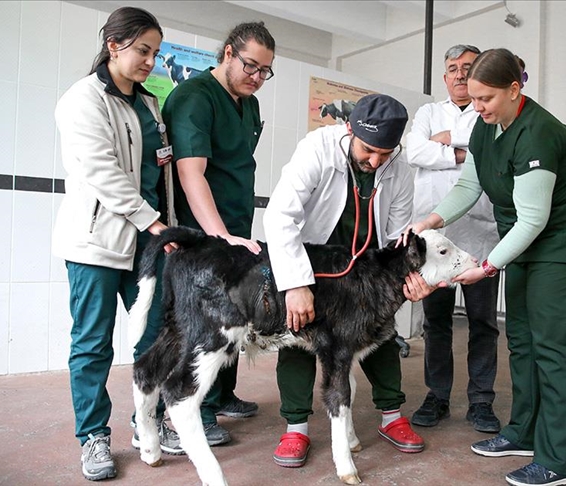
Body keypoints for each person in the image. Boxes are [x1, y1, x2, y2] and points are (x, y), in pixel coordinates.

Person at [408, 48, 566, 486]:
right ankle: (522, 431)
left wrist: (486, 266)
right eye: (472, 97)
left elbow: (536, 218)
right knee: (521, 338)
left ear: (515, 89)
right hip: (523, 240)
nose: (475, 106)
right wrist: (431, 219)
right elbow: (469, 184)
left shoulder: (540, 132)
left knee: (553, 346)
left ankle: (558, 461)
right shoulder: (486, 127)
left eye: (485, 98)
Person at [263, 94, 435, 468]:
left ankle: (392, 416)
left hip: (365, 264)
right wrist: (294, 284)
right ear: (349, 130)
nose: (375, 161)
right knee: (299, 333)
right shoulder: (317, 149)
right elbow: (279, 216)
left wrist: (409, 278)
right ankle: (296, 427)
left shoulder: (399, 170)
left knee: (382, 333)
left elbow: (395, 237)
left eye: (385, 154)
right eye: (369, 150)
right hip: (313, 260)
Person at [53, 7, 180, 481]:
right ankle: (93, 437)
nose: (150, 60)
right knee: (92, 343)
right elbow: (103, 173)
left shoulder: (149, 105)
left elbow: (159, 173)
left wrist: (166, 226)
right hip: (97, 243)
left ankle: (146, 421)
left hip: (148, 243)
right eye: (143, 50)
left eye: (156, 52)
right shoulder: (82, 100)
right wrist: (154, 224)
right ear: (114, 45)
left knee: (156, 337)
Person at [162, 21, 276, 445]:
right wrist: (218, 236)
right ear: (228, 53)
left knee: (233, 313)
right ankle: (186, 412)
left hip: (235, 224)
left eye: (265, 71)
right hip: (203, 231)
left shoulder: (248, 103)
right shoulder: (194, 98)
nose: (257, 77)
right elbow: (191, 174)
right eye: (250, 66)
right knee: (200, 322)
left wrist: (235, 233)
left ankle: (222, 396)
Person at [405, 44, 502, 433]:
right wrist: (463, 152)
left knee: (483, 323)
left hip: (480, 236)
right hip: (435, 238)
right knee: (436, 323)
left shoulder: (488, 113)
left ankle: (481, 402)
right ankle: (437, 396)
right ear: (444, 77)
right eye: (452, 69)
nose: (460, 74)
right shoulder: (427, 113)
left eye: (468, 68)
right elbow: (414, 151)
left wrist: (447, 140)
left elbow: (489, 149)